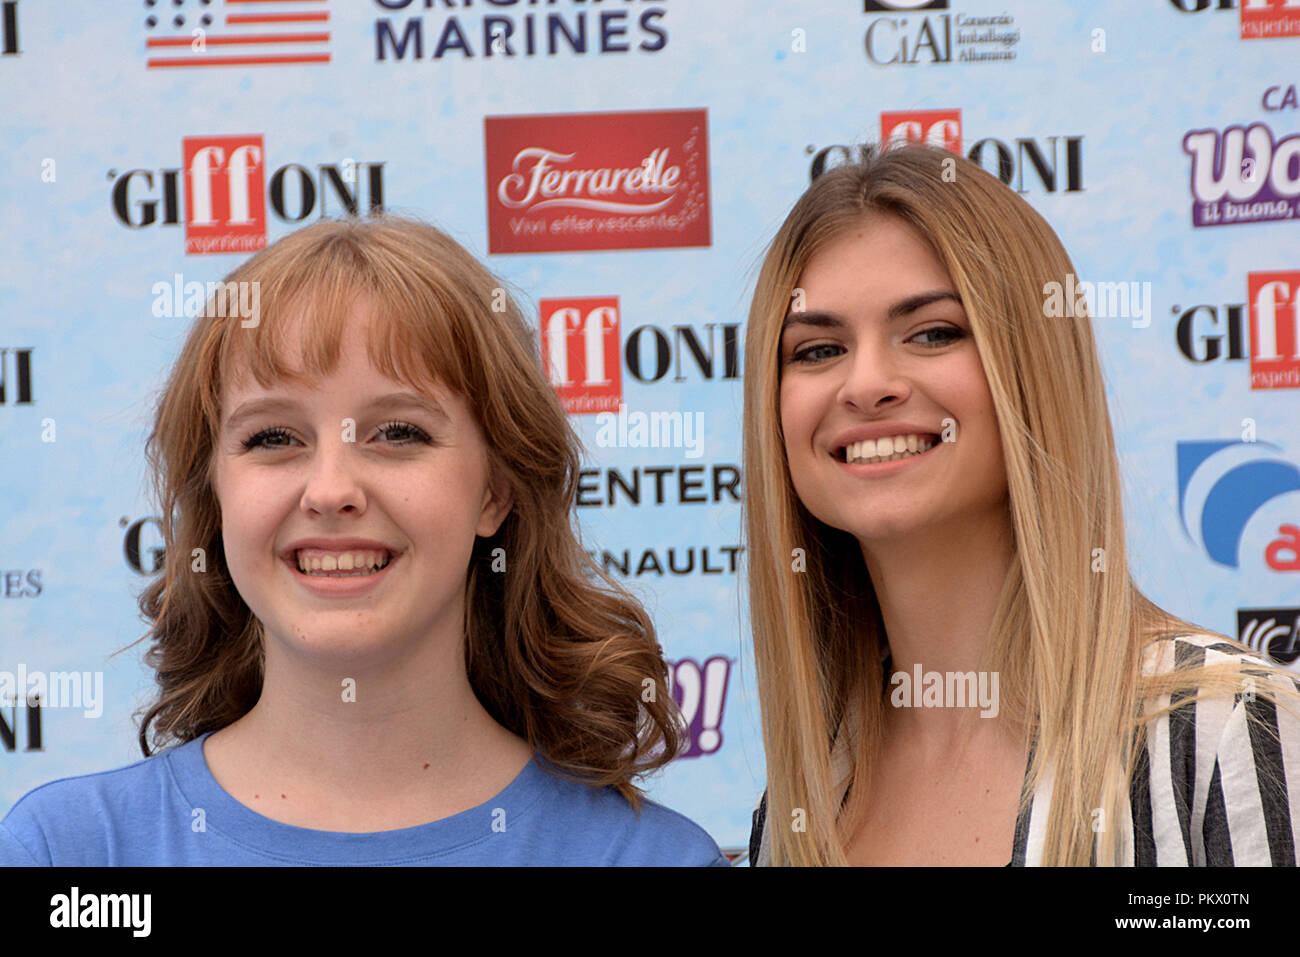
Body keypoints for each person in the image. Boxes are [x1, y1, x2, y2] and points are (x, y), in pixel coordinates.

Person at [0, 215, 727, 866]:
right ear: (215, 494)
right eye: (274, 436)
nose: (330, 489)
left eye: (399, 432)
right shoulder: (69, 852)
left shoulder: (644, 858)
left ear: (496, 490)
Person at [742, 141, 1300, 867]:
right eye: (817, 349)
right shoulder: (802, 802)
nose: (867, 382)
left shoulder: (1222, 730)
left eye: (933, 332)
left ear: (1033, 370)